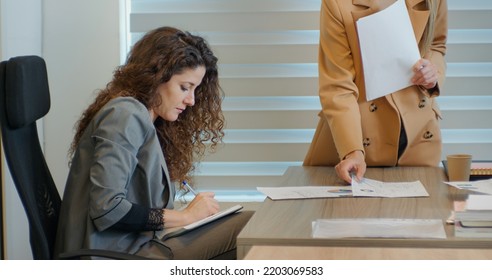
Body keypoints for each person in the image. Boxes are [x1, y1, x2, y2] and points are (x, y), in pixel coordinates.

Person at [54, 26, 253, 259]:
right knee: (247, 228)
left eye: (195, 89)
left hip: (133, 247)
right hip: (110, 257)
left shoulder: (147, 118)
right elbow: (108, 209)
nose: (191, 100)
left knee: (246, 224)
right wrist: (187, 216)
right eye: (184, 87)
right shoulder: (125, 115)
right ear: (156, 76)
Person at [303, 0, 448, 184]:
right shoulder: (337, 3)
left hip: (417, 141)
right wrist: (353, 151)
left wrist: (432, 71)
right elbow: (338, 87)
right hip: (358, 141)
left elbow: (436, 45)